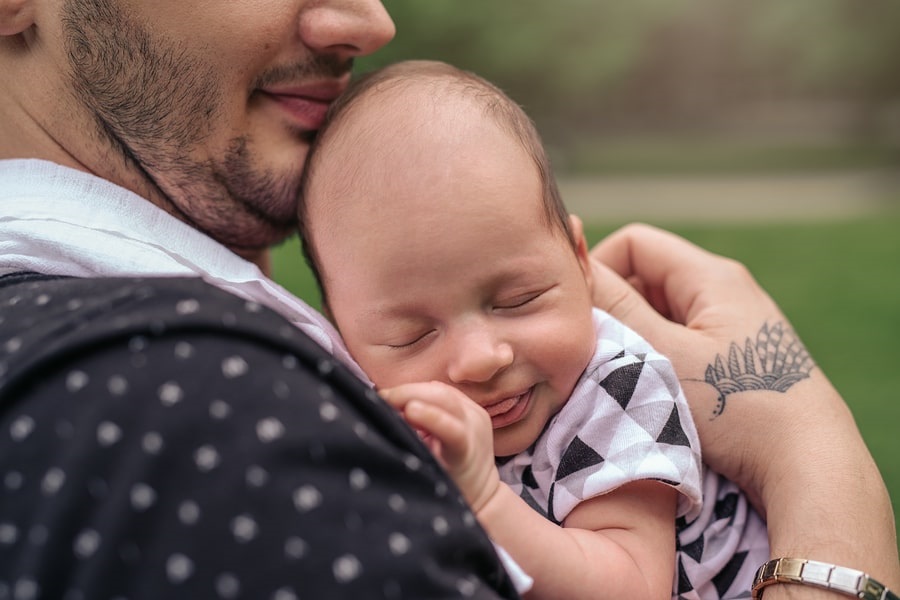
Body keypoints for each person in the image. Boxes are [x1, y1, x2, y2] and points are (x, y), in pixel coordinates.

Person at [0, 1, 896, 599]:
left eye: (515, 297)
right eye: (411, 326)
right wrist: (811, 449)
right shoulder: (207, 407)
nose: (370, 18)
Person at [298, 59, 771, 599]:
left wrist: (483, 498)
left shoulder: (615, 390)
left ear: (579, 261)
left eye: (518, 300)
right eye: (412, 335)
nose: (481, 358)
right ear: (342, 335)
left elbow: (631, 587)